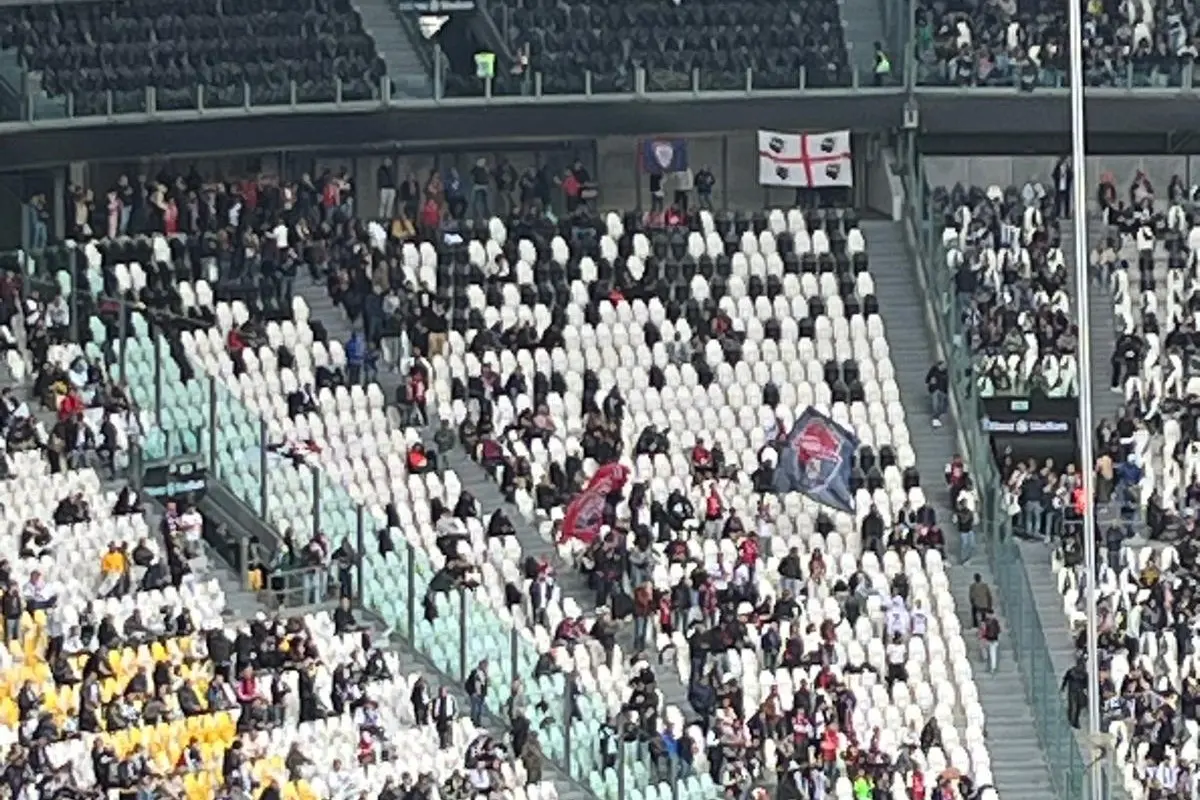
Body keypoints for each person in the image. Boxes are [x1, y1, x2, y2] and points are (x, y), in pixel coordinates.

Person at [925, 361, 948, 428]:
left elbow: (946, 383)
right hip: (935, 389)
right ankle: (935, 417)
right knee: (936, 403)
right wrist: (930, 382)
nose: (944, 367)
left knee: (941, 405)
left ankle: (937, 417)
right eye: (943, 366)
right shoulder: (934, 371)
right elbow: (928, 378)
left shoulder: (945, 373)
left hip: (942, 390)